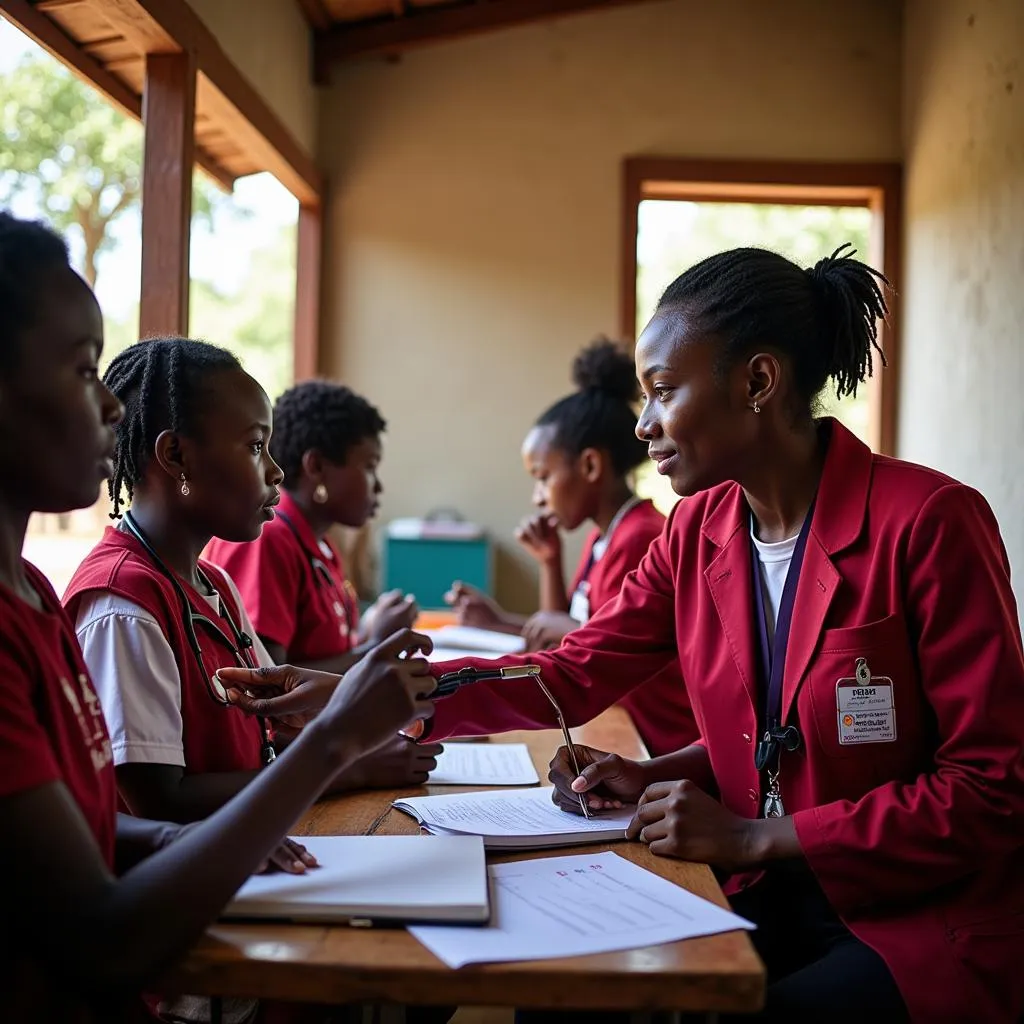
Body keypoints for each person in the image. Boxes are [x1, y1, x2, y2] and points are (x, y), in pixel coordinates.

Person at [232, 246, 1024, 1022]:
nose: (642, 426)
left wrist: (754, 836)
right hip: (769, 889)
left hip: (911, 920)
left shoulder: (927, 523)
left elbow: (992, 790)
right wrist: (371, 695)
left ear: (757, 381)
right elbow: (573, 670)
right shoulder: (698, 532)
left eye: (663, 391)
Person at [0, 210, 436, 1023]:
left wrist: (179, 841)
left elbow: (96, 827)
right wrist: (335, 744)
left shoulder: (31, 591)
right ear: (177, 458)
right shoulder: (115, 605)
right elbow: (107, 921)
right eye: (79, 370)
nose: (110, 406)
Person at [63, 338, 440, 826]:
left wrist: (364, 727)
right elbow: (161, 804)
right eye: (256, 446)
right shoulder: (123, 606)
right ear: (176, 455)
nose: (275, 470)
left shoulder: (213, 582)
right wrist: (347, 766)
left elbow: (272, 730)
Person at [445, 338, 696, 756]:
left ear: (591, 466)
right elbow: (570, 635)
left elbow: (596, 658)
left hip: (654, 743)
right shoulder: (605, 536)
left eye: (543, 477)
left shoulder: (639, 538)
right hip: (618, 724)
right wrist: (518, 602)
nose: (538, 496)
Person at [204, 380, 418, 675]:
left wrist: (369, 633)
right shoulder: (268, 538)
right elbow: (268, 681)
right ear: (316, 467)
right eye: (369, 466)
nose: (378, 486)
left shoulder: (319, 543)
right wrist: (375, 648)